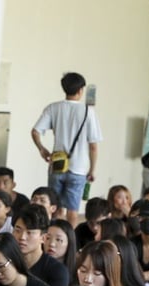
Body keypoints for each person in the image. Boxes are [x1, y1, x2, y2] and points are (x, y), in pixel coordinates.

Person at [30, 72, 101, 224]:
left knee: (55, 209)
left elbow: (35, 132)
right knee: (73, 212)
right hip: (78, 169)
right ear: (81, 90)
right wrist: (92, 170)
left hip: (57, 166)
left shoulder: (53, 108)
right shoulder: (89, 112)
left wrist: (42, 149)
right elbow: (93, 146)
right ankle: (68, 242)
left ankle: (51, 238)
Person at [14, 204, 69, 286]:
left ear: (43, 238)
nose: (22, 237)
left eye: (29, 232)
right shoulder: (7, 263)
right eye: (17, 230)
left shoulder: (57, 271)